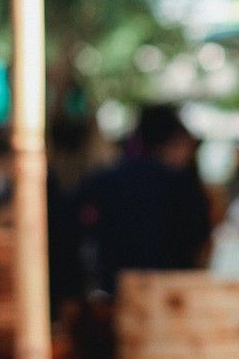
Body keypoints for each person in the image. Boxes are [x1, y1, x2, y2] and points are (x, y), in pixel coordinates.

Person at [80, 105, 212, 292]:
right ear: (171, 142)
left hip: (118, 291)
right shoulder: (182, 185)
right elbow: (200, 237)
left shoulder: (106, 180)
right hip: (171, 295)